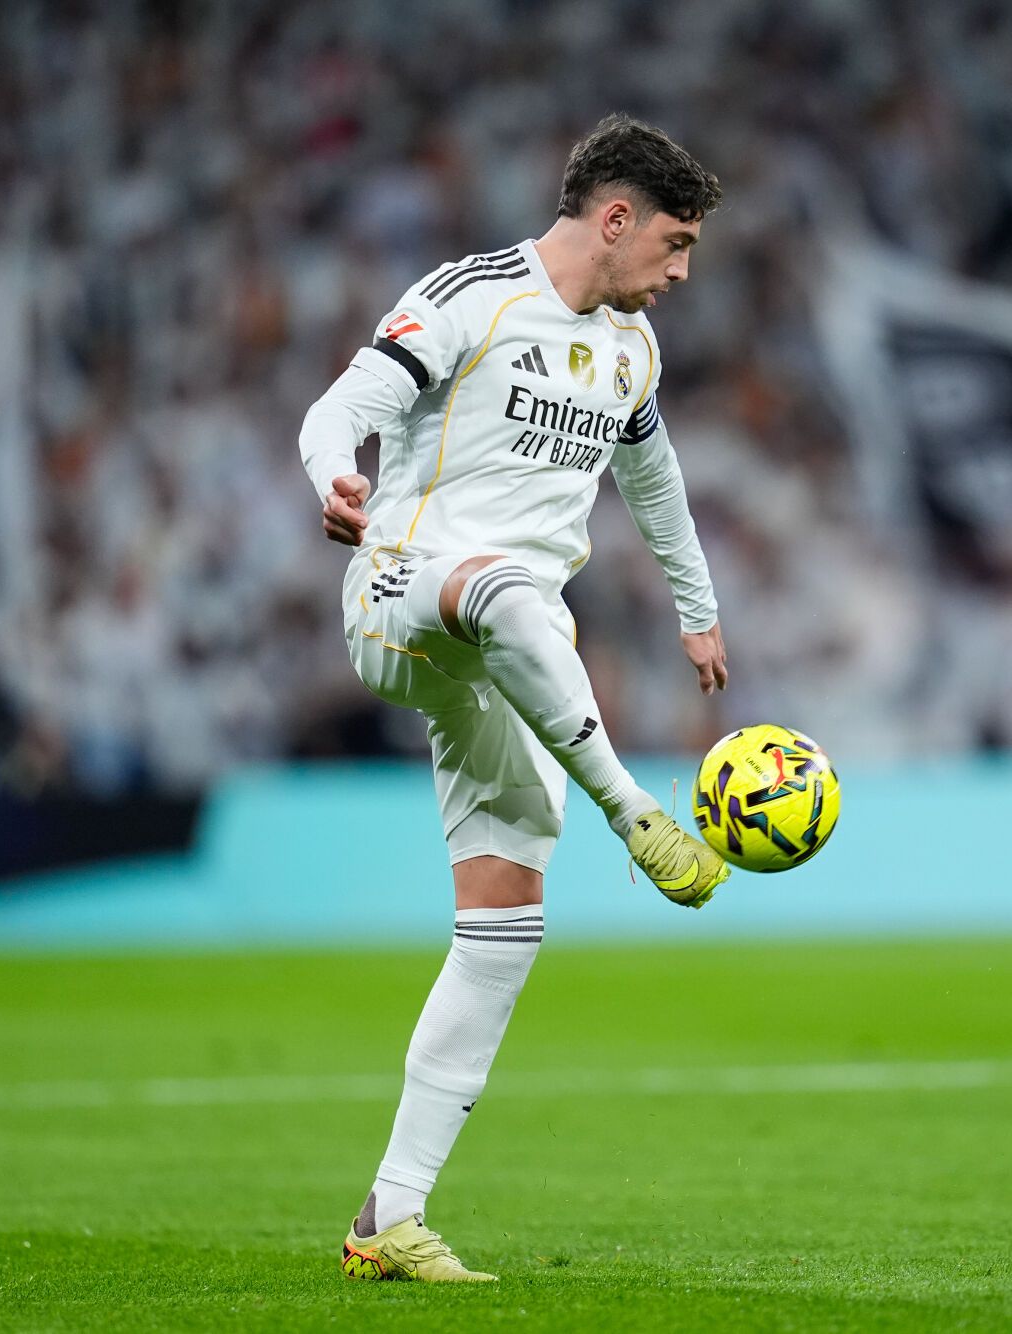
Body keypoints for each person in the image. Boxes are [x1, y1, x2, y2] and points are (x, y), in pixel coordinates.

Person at [297, 114, 730, 1283]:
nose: (681, 273)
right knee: (504, 589)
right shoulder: (468, 297)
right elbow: (337, 410)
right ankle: (635, 811)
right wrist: (334, 476)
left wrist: (696, 609)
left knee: (502, 925)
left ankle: (388, 1214)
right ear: (616, 218)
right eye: (676, 243)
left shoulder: (629, 350)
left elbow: (653, 477)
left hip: (510, 656)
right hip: (404, 593)